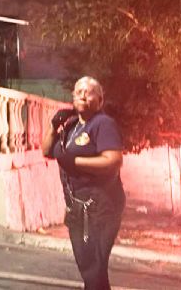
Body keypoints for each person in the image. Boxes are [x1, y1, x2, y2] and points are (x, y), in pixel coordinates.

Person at [42, 76, 125, 290]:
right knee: (89, 268)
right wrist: (54, 127)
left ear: (100, 100)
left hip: (99, 206)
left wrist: (76, 161)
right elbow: (47, 151)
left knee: (93, 267)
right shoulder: (71, 126)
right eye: (78, 90)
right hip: (76, 206)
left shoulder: (102, 123)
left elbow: (113, 160)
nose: (82, 94)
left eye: (89, 91)